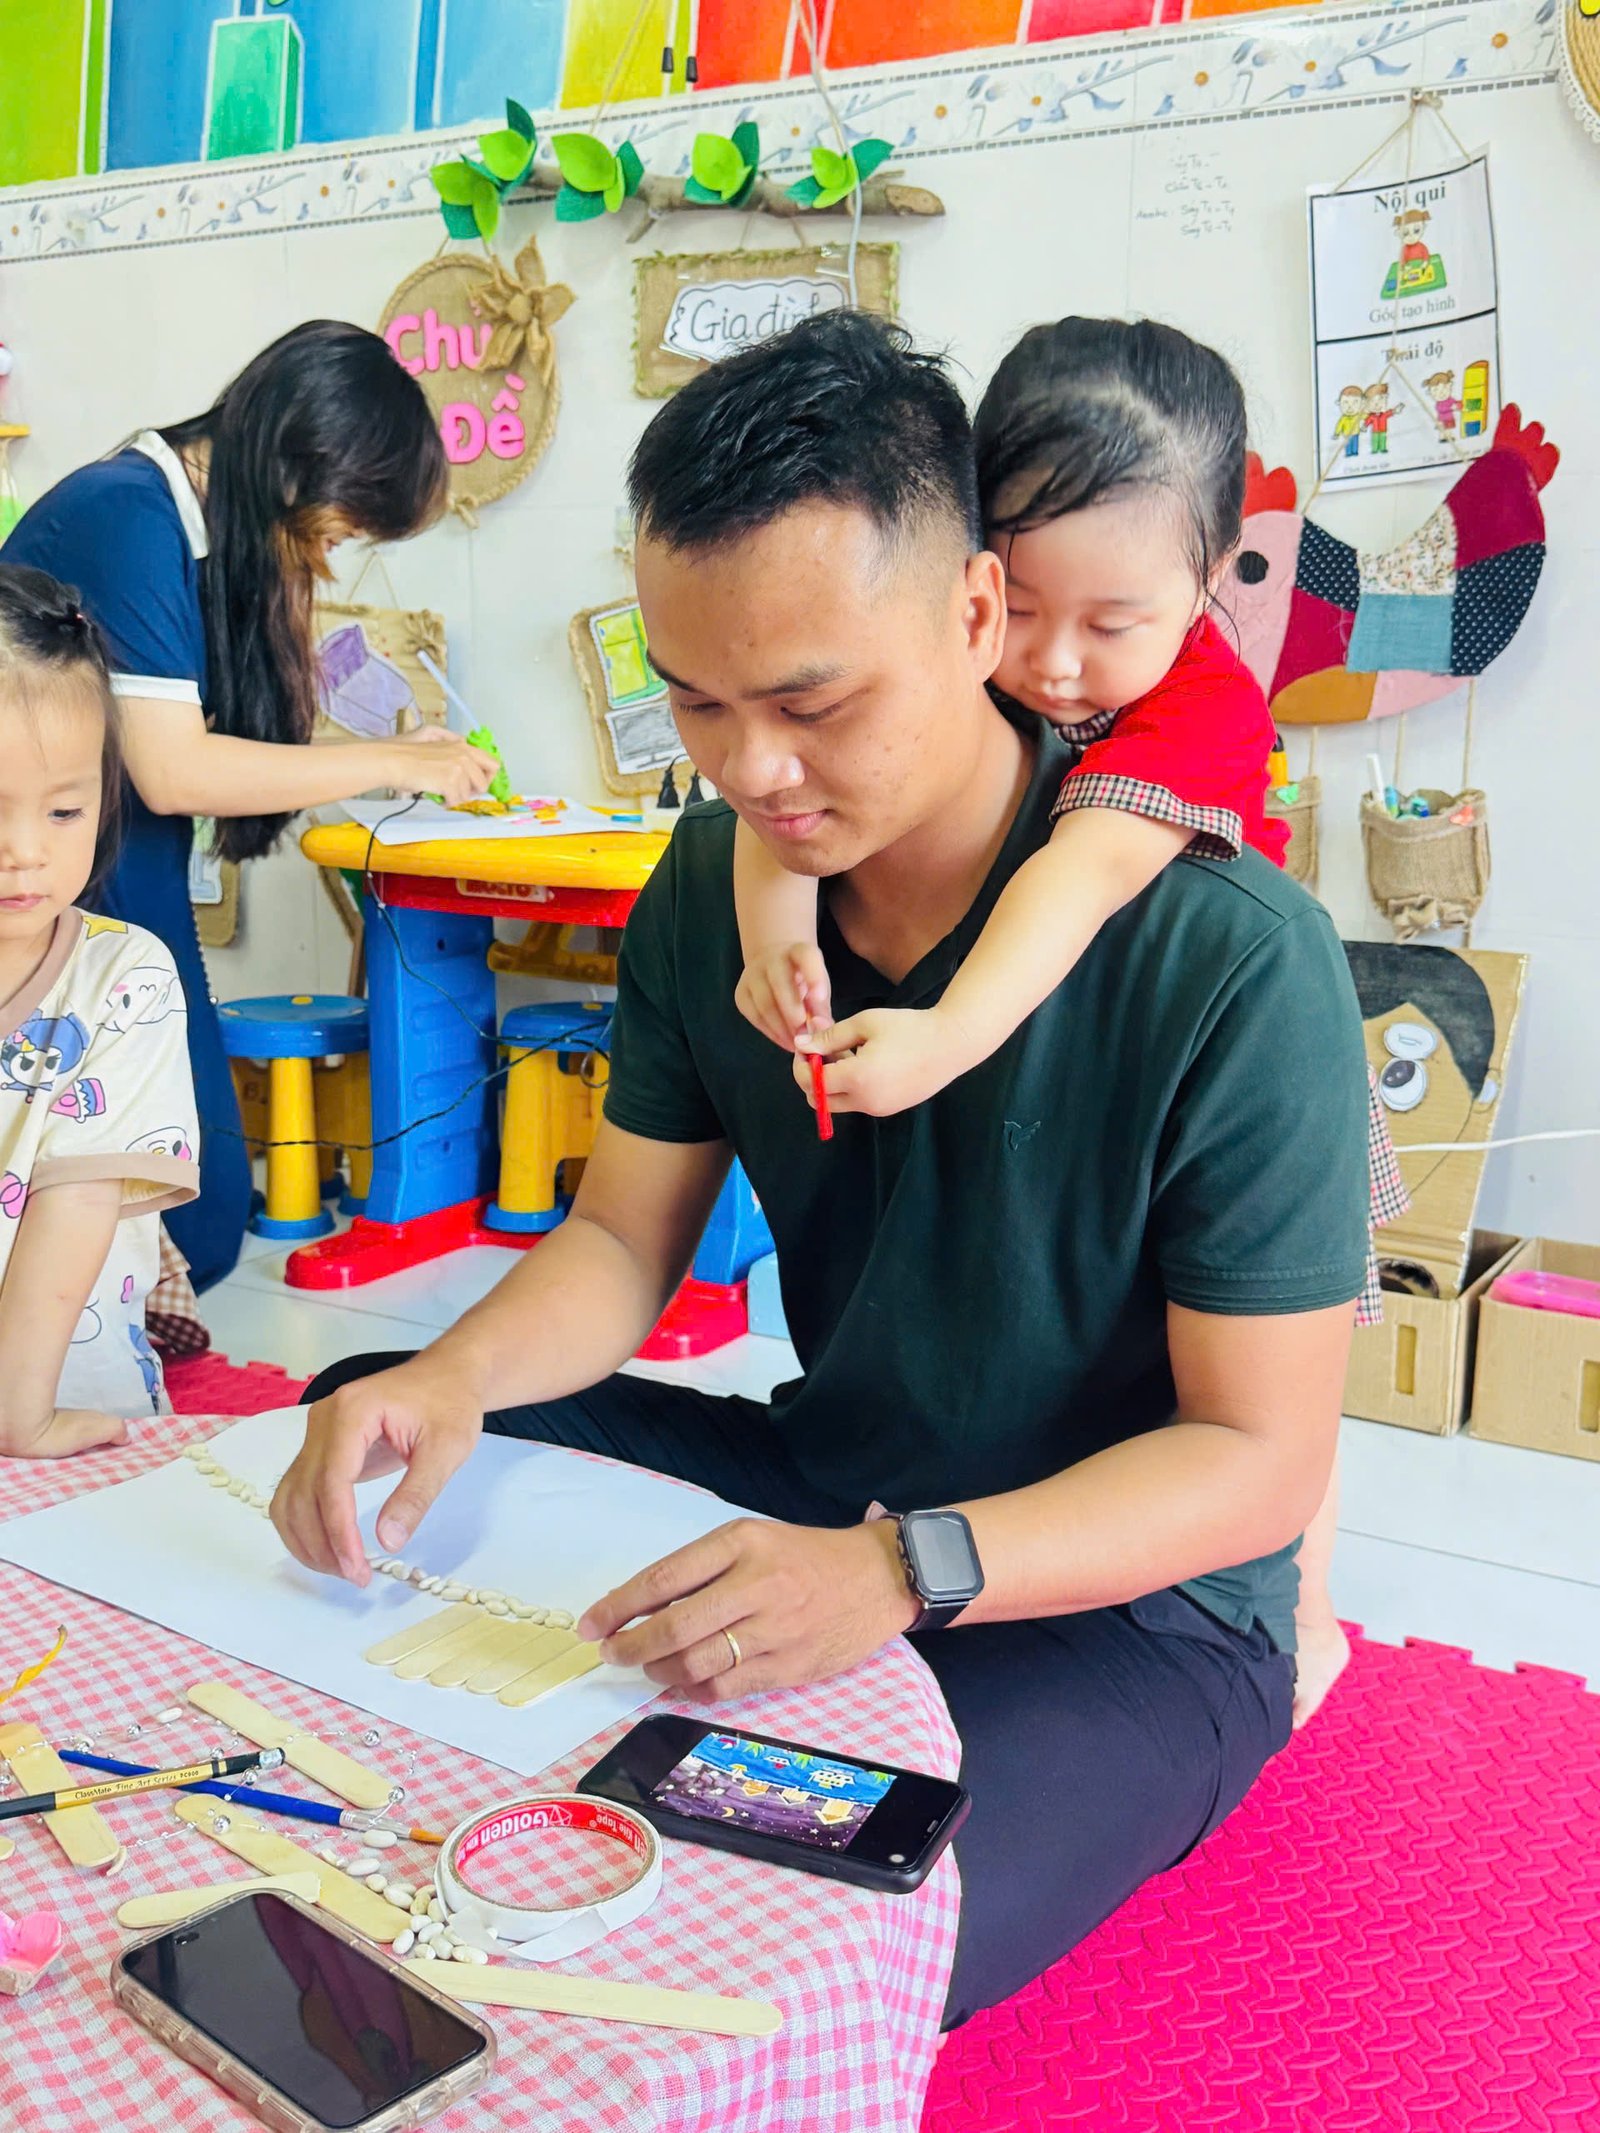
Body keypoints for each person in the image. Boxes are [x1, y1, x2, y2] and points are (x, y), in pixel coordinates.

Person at [271, 312, 1371, 2027]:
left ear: (978, 613)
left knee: (809, 1931)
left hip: (1130, 1607)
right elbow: (620, 1242)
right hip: (829, 1478)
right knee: (367, 1410)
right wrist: (454, 1376)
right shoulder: (713, 885)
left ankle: (1227, 1710)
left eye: (809, 703)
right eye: (695, 701)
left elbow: (1258, 1462)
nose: (747, 769)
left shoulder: (1232, 957)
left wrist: (896, 1572)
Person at [731, 317, 1407, 1720]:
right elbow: (781, 794)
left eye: (1112, 626)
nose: (1050, 663)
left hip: (1222, 1059)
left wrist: (941, 1035)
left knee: (1278, 1372)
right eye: (1023, 605)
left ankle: (1301, 1614)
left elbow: (1078, 874)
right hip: (1061, 1039)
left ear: (1209, 583)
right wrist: (776, 939)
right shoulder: (948, 651)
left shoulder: (1202, 707)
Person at [2, 321, 497, 1296]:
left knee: (199, 1217)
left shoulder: (178, 523)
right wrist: (392, 761)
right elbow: (174, 771)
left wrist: (392, 760)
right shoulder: (127, 515)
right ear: (292, 471)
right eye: (337, 533)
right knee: (195, 1222)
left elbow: (191, 747)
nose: (331, 558)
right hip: (67, 876)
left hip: (113, 867)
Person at [0, 566, 199, 1455]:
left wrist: (20, 1417)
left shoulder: (125, 979)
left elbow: (75, 1202)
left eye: (64, 809)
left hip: (57, 1407)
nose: (24, 851)